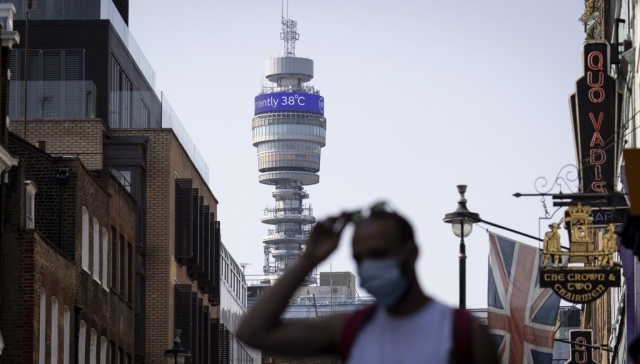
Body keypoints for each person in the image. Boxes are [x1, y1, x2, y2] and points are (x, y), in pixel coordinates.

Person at [236, 203, 499, 363]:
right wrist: (309, 259)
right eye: (359, 258)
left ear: (412, 252)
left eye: (378, 254)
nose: (368, 266)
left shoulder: (463, 334)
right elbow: (251, 332)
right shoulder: (349, 329)